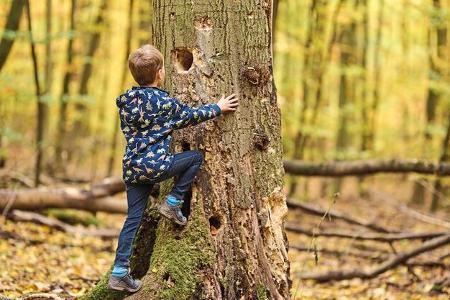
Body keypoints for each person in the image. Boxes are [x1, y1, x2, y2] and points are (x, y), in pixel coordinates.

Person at [107, 44, 239, 292]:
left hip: (133, 169)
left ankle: (119, 272)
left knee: (132, 219)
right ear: (159, 74)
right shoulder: (163, 102)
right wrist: (218, 108)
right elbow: (188, 116)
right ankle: (174, 201)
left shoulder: (126, 101)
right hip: (157, 166)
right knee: (194, 158)